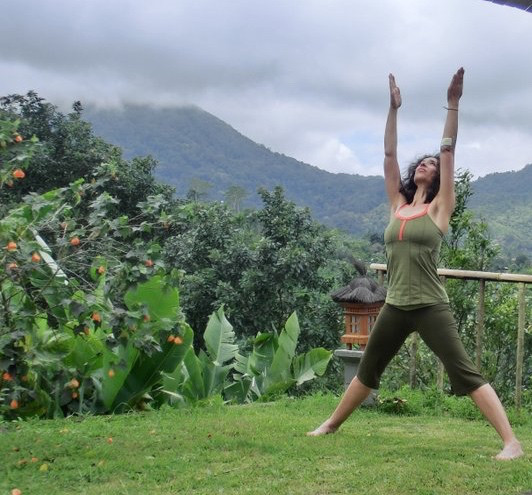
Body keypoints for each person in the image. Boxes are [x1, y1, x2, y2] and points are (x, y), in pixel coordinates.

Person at [307, 68, 523, 461]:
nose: (425, 163)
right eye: (421, 162)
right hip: (396, 304)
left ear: (439, 176)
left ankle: (511, 442)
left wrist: (453, 104)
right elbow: (389, 154)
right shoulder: (398, 205)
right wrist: (393, 109)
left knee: (464, 371)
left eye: (431, 163)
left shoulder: (440, 209)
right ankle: (330, 424)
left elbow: (448, 151)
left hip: (429, 305)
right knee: (368, 369)